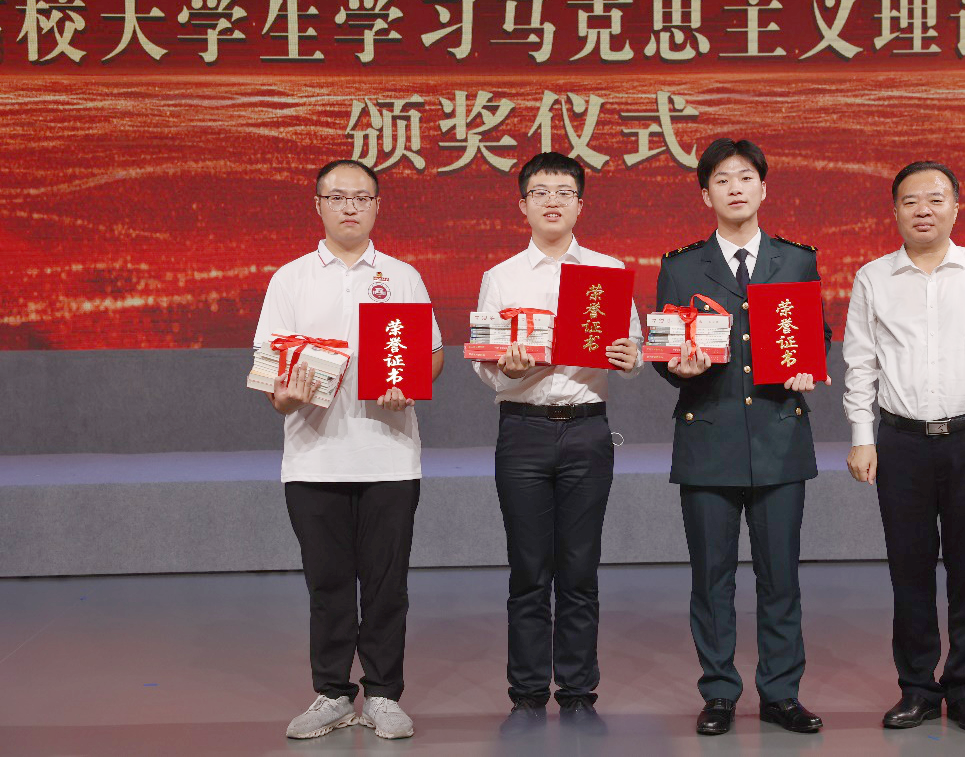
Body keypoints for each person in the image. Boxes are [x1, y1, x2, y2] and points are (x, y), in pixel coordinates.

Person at [254, 159, 445, 740]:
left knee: (387, 586)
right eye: (337, 197)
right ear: (318, 205)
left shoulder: (402, 275)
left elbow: (431, 354)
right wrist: (285, 396)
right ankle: (333, 693)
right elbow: (271, 369)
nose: (350, 207)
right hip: (313, 458)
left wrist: (411, 382)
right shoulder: (290, 279)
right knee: (328, 584)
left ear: (378, 206)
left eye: (361, 197)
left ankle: (384, 694)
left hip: (389, 455)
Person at [842, 160, 965, 733]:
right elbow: (860, 365)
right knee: (910, 570)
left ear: (955, 207)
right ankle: (918, 688)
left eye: (935, 199)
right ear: (895, 211)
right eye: (910, 201)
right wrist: (862, 437)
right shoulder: (873, 277)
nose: (923, 210)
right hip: (901, 442)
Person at [653, 138, 831, 736]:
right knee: (712, 579)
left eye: (745, 177)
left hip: (779, 437)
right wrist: (676, 368)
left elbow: (813, 335)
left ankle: (781, 693)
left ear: (763, 188)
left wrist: (809, 366)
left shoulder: (796, 260)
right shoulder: (680, 266)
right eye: (722, 179)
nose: (735, 187)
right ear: (705, 194)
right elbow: (666, 348)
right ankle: (720, 692)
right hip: (708, 439)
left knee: (782, 577)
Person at [472, 151, 642, 734]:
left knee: (579, 567)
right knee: (527, 567)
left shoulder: (606, 272)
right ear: (522, 205)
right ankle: (525, 690)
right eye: (540, 192)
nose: (552, 201)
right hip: (522, 428)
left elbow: (632, 348)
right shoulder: (501, 276)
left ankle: (576, 688)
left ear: (579, 204)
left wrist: (631, 358)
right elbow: (485, 360)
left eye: (564, 192)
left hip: (588, 428)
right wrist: (507, 367)